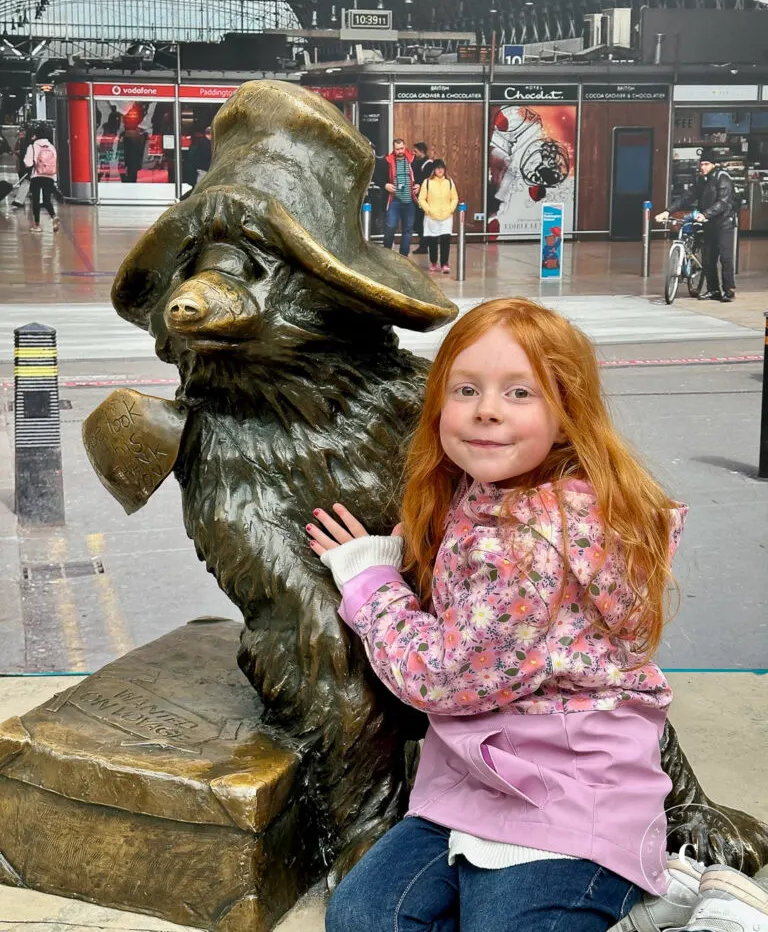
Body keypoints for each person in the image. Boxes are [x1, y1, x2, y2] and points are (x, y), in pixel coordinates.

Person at [306, 297, 689, 932]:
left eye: (519, 393)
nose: (487, 409)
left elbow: (442, 677)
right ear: (438, 406)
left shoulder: (530, 544)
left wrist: (369, 581)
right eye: (466, 389)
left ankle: (682, 908)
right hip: (475, 775)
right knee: (366, 916)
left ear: (567, 417)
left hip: (573, 792)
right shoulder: (485, 491)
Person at [657, 151, 737, 302]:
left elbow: (723, 202)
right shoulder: (702, 180)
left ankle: (729, 290)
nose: (703, 167)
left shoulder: (722, 178)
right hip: (708, 224)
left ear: (713, 164)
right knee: (708, 258)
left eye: (706, 164)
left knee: (726, 258)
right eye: (701, 164)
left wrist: (706, 214)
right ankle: (713, 290)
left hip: (724, 223)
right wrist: (668, 212)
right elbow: (687, 197)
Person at [418, 158, 458, 274]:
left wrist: (450, 210)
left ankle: (445, 264)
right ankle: (433, 262)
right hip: (431, 216)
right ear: (434, 170)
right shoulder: (427, 182)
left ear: (444, 169)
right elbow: (421, 198)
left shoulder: (449, 182)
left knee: (446, 240)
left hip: (446, 216)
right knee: (433, 241)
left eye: (442, 168)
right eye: (437, 168)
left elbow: (455, 198)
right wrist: (429, 210)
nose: (440, 170)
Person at [383, 138, 420, 257]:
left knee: (408, 230)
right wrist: (385, 185)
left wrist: (419, 184)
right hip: (394, 200)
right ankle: (387, 253)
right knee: (390, 227)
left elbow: (421, 175)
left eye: (401, 148)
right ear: (393, 149)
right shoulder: (387, 161)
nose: (400, 151)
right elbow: (377, 176)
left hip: (410, 201)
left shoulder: (413, 161)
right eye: (397, 149)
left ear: (405, 147)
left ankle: (403, 257)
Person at [24, 125, 59, 234]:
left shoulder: (33, 146)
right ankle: (54, 217)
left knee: (36, 201)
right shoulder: (51, 147)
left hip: (36, 176)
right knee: (46, 200)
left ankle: (37, 225)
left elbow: (27, 163)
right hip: (50, 176)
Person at [411, 141, 434, 254]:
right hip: (415, 196)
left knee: (419, 221)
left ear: (422, 151)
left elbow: (428, 179)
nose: (413, 153)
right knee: (417, 222)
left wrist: (420, 185)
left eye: (415, 151)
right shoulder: (415, 161)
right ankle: (424, 242)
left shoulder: (428, 164)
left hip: (424, 198)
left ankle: (425, 242)